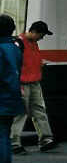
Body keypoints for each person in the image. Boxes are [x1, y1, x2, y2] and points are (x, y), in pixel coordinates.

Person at [10, 20, 58, 153]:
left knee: (39, 110)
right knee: (21, 113)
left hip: (34, 81)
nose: (42, 38)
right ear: (35, 32)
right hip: (22, 83)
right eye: (41, 35)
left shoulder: (33, 43)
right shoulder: (18, 43)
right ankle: (14, 142)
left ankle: (45, 139)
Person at [0, 14, 25, 163]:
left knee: (1, 135)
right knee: (5, 135)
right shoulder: (15, 48)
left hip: (1, 98)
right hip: (11, 98)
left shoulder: (0, 48)